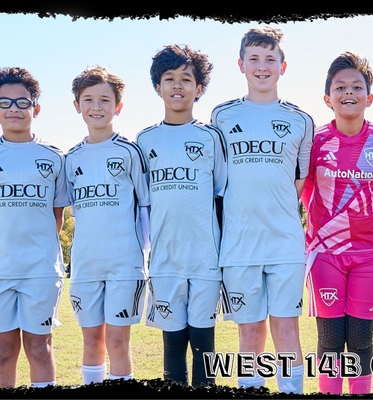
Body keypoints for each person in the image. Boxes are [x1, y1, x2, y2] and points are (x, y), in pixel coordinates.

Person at [209, 26, 314, 393]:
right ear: (241, 65)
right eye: (254, 58)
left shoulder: (301, 120)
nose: (262, 66)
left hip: (285, 243)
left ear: (283, 66)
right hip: (239, 245)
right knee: (250, 333)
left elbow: (297, 183)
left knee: (286, 329)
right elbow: (218, 181)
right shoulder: (221, 116)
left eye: (270, 59)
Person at [0, 67, 69, 388]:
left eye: (23, 102)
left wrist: (38, 250)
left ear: (36, 109)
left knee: (40, 348)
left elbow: (56, 216)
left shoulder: (55, 157)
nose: (14, 109)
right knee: (2, 352)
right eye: (5, 102)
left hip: (41, 270)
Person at [301, 51, 373, 395]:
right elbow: (305, 191)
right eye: (340, 87)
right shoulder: (315, 141)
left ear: (370, 97)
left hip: (370, 254)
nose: (349, 92)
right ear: (328, 98)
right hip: (325, 254)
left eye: (357, 86)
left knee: (360, 339)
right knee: (330, 339)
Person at [138, 44, 224, 388]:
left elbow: (221, 196)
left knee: (204, 346)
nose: (177, 85)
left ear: (198, 88)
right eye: (169, 78)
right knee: (172, 346)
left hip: (205, 260)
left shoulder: (211, 137)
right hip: (165, 261)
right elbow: (142, 204)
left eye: (186, 79)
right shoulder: (145, 140)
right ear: (157, 87)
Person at [64, 65, 149, 384]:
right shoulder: (71, 158)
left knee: (117, 342)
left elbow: (146, 207)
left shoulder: (130, 152)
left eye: (104, 100)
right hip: (85, 264)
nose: (96, 107)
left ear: (118, 106)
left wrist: (144, 254)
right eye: (88, 99)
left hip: (124, 265)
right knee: (91, 341)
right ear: (77, 106)